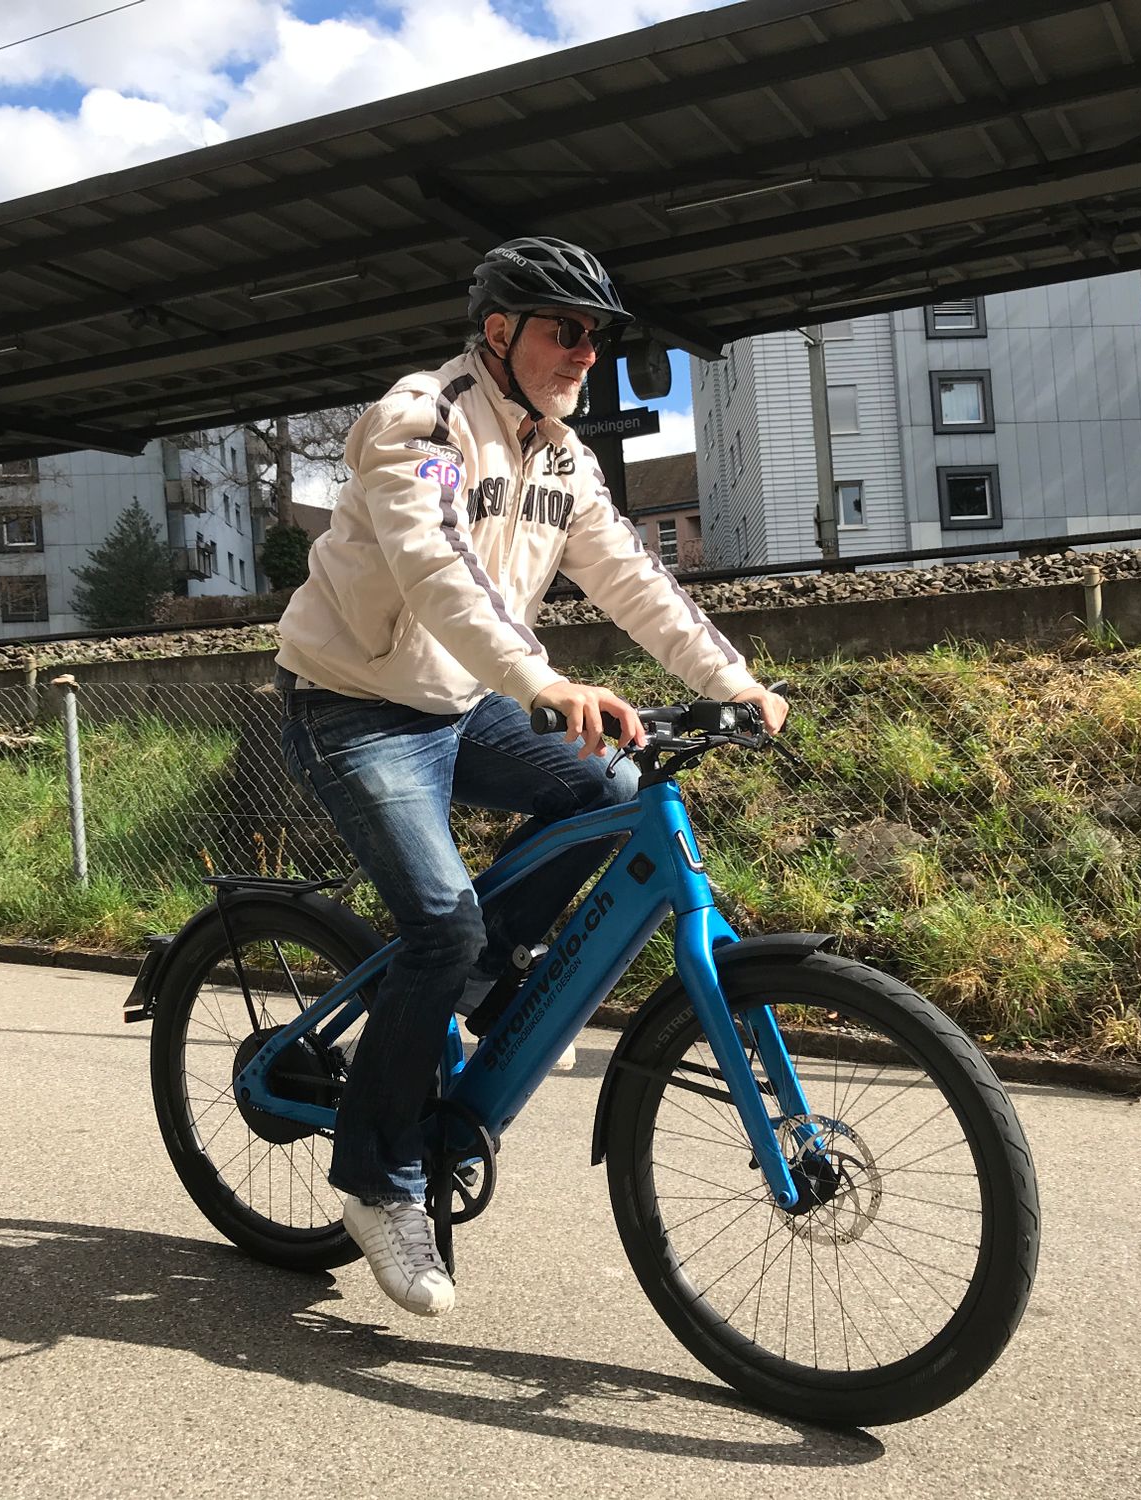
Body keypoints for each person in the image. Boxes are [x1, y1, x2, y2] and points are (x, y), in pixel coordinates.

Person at [273, 236, 789, 1318]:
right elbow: (435, 572)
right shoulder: (421, 421)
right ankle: (375, 1178)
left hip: (459, 703)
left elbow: (633, 578)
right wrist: (542, 682)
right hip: (352, 706)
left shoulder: (562, 458)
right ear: (500, 331)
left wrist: (732, 680)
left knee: (605, 792)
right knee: (439, 922)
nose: (585, 353)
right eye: (566, 330)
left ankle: (468, 989)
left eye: (595, 337)